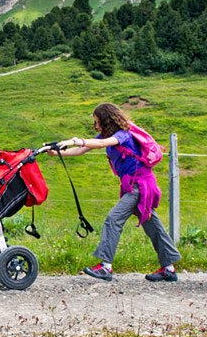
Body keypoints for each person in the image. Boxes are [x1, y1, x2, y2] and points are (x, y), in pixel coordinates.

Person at [50, 102, 180, 282]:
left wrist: (75, 140)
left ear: (105, 120)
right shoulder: (107, 134)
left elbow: (101, 143)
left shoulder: (123, 134)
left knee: (113, 219)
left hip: (140, 186)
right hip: (133, 184)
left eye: (97, 122)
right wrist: (57, 153)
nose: (95, 126)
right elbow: (82, 150)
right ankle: (169, 268)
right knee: (152, 224)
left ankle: (105, 266)